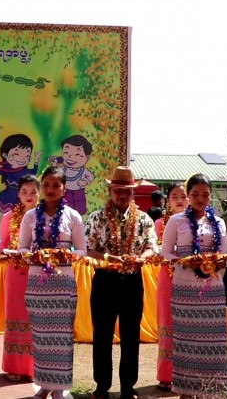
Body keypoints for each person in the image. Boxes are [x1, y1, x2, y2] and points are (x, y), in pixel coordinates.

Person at [84, 166, 157, 399]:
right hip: (105, 280)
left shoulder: (144, 219)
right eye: (118, 190)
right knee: (102, 335)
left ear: (133, 192)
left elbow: (152, 246)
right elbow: (88, 249)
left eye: (127, 191)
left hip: (132, 281)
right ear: (110, 190)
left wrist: (141, 258)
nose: (122, 195)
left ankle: (128, 387)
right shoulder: (97, 217)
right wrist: (109, 258)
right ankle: (101, 386)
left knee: (131, 335)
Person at [18, 166, 86, 399]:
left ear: (64, 188)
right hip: (37, 284)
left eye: (56, 185)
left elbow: (82, 250)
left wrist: (64, 255)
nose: (50, 189)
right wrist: (33, 255)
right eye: (46, 184)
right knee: (41, 336)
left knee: (62, 337)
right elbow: (22, 248)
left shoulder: (73, 216)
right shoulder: (30, 216)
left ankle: (59, 387)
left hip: (63, 284)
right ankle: (44, 385)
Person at [161, 174, 227, 398]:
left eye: (205, 194)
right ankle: (186, 391)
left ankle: (210, 390)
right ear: (188, 195)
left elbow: (223, 255)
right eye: (195, 194)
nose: (200, 199)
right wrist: (185, 261)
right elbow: (165, 253)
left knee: (212, 342)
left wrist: (216, 262)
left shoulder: (218, 222)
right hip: (185, 289)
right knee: (186, 342)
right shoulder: (176, 220)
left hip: (212, 290)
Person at [0, 174, 40, 382]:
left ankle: (33, 368)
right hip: (15, 273)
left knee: (35, 318)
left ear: (39, 193)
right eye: (24, 192)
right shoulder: (8, 217)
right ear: (18, 194)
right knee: (15, 314)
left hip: (39, 273)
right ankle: (14, 366)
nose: (28, 196)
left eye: (33, 192)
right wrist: (3, 252)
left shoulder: (45, 216)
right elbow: (1, 245)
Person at [154, 182, 187, 390]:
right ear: (168, 200)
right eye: (175, 196)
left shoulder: (196, 223)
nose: (180, 200)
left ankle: (187, 375)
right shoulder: (159, 224)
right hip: (168, 276)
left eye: (183, 196)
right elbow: (154, 249)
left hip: (191, 277)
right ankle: (165, 375)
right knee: (167, 320)